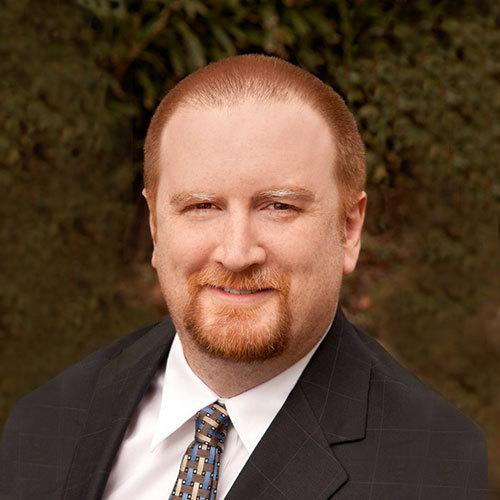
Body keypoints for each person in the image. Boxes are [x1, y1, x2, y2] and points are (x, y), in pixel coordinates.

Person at [0, 54, 487, 500]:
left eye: (279, 206)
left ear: (349, 229)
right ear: (155, 227)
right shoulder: (45, 423)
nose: (236, 254)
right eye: (202, 206)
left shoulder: (436, 472)